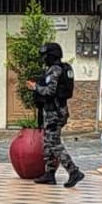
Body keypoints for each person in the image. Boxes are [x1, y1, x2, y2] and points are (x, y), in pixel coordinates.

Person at [28, 42, 85, 189]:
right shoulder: (65, 68)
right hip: (59, 109)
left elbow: (49, 91)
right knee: (48, 142)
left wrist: (35, 87)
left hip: (54, 111)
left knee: (54, 143)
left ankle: (73, 171)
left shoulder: (55, 70)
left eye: (45, 56)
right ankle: (49, 174)